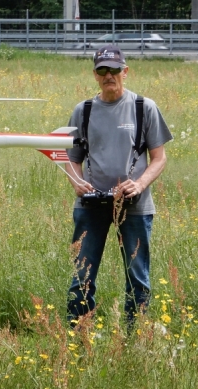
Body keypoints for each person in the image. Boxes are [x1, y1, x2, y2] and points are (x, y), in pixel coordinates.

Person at [64, 44, 172, 328]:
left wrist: (140, 184)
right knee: (82, 275)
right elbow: (71, 158)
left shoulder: (144, 107)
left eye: (114, 70)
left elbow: (159, 158)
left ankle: (135, 334)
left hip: (134, 205)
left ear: (125, 71)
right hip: (91, 204)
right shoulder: (83, 111)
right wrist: (77, 182)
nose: (108, 76)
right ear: (95, 74)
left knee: (137, 276)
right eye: (102, 70)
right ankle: (77, 334)